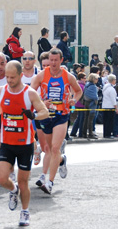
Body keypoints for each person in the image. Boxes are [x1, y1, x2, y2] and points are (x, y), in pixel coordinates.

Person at [0, 61, 49, 226]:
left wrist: (34, 116)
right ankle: (13, 190)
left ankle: (25, 212)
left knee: (24, 182)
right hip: (7, 143)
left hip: (25, 144)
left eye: (12, 77)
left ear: (21, 75)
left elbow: (45, 112)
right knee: (1, 178)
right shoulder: (1, 91)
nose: (8, 80)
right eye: (7, 77)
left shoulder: (29, 93)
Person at [30, 48, 82, 195]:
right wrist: (41, 102)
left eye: (55, 60)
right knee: (49, 148)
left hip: (62, 115)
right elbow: (30, 93)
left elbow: (78, 91)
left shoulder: (68, 76)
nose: (53, 63)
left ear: (61, 60)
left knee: (54, 148)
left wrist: (74, 100)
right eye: (51, 60)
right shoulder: (41, 75)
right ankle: (61, 160)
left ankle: (50, 183)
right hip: (46, 116)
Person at [69, 72, 87, 138]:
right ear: (81, 78)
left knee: (79, 118)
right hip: (81, 104)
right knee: (81, 119)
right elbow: (81, 95)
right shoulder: (81, 86)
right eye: (84, 78)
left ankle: (73, 132)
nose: (85, 79)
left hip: (77, 103)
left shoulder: (78, 84)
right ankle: (80, 133)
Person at [102, 74, 118, 138]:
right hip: (110, 106)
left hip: (104, 106)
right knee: (110, 121)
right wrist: (116, 108)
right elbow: (113, 99)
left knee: (105, 121)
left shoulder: (105, 87)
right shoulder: (111, 89)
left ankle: (105, 133)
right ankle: (108, 134)